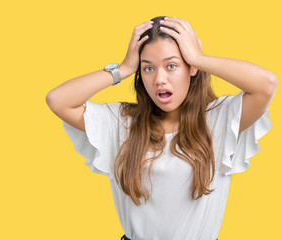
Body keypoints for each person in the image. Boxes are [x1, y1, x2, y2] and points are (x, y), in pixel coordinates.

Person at [45, 16, 277, 240]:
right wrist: (124, 69)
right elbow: (58, 100)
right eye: (148, 68)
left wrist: (198, 57)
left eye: (172, 65)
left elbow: (266, 84)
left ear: (191, 68)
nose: (159, 79)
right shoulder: (122, 122)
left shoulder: (217, 119)